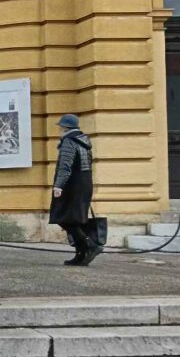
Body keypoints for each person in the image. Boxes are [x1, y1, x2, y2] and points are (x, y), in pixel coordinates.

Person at [49, 114, 101, 266]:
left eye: (60, 127)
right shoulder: (84, 140)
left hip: (72, 185)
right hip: (85, 182)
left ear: (65, 127)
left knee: (64, 217)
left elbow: (65, 167)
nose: (59, 129)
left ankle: (90, 245)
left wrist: (58, 186)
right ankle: (81, 254)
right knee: (76, 218)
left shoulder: (69, 141)